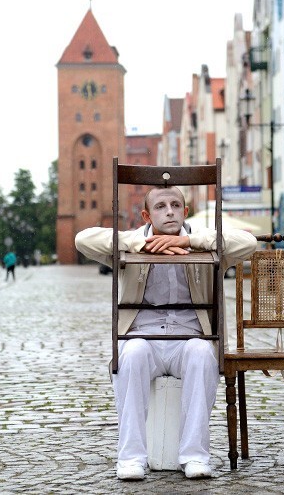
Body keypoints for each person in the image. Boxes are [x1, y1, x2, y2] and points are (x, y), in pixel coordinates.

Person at [75, 186, 256, 481]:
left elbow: (248, 242)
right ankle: (131, 458)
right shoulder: (130, 245)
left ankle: (195, 456)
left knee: (201, 353)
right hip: (144, 339)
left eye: (175, 205)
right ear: (147, 214)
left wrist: (190, 240)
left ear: (185, 211)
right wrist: (142, 243)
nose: (169, 211)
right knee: (131, 354)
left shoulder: (206, 246)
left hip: (188, 340)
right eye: (160, 206)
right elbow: (82, 240)